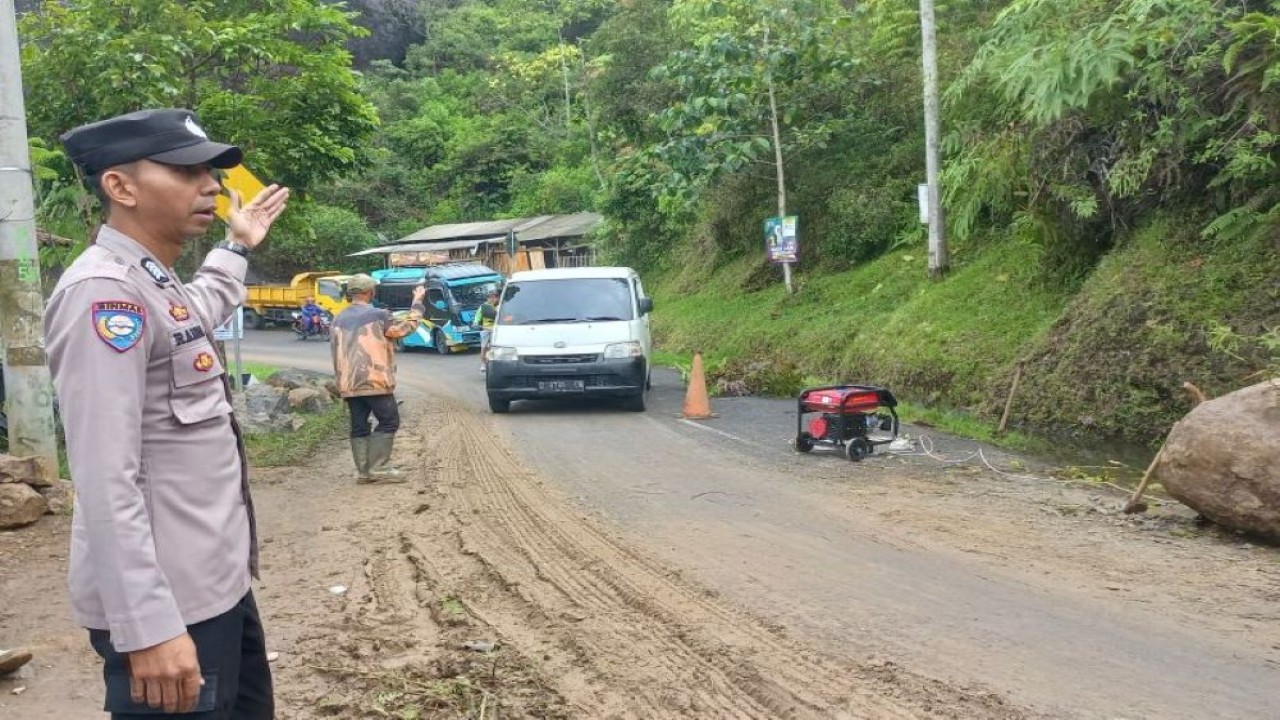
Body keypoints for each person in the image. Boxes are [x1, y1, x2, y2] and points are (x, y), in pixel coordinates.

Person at [45, 108, 289, 719]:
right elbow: (105, 479)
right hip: (169, 607)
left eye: (210, 172)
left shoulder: (153, 280)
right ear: (120, 187)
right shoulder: (103, 295)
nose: (211, 186)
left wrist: (237, 245)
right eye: (186, 172)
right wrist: (147, 626)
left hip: (215, 585)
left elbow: (197, 309)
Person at [330, 275, 426, 483]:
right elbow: (405, 328)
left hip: (348, 383)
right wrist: (417, 302)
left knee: (359, 425)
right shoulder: (378, 315)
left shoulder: (338, 318)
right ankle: (378, 468)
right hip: (374, 380)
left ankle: (363, 471)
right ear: (369, 292)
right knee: (389, 421)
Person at [476, 288, 499, 373]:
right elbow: (477, 319)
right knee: (484, 347)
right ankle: (483, 364)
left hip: (496, 330)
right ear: (488, 298)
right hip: (485, 330)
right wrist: (477, 324)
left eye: (495, 297)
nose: (493, 299)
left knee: (497, 348)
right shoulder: (483, 307)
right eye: (491, 297)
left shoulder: (500, 306)